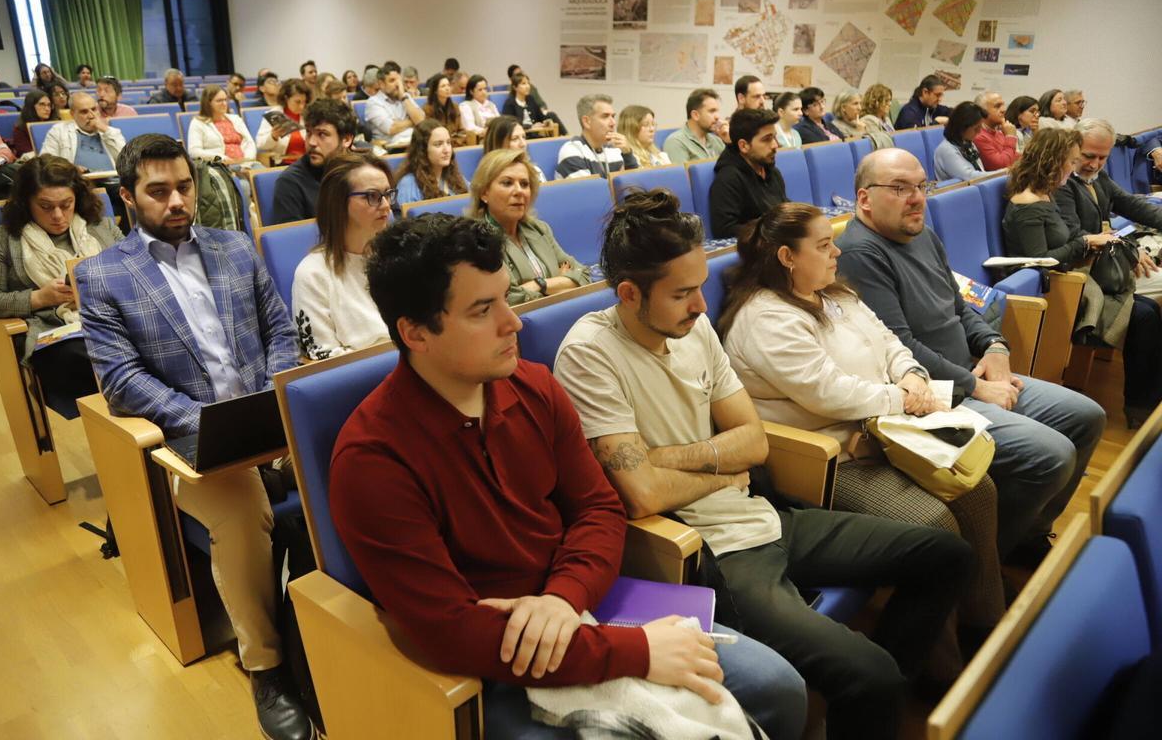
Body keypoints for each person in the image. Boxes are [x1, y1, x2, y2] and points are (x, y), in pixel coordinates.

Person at [333, 210, 809, 740]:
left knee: (779, 688)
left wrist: (562, 598)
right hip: (497, 658)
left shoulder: (533, 386)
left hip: (583, 600)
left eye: (505, 299)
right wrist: (636, 652)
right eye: (482, 310)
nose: (513, 323)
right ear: (416, 333)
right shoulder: (372, 459)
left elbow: (598, 508)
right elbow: (449, 631)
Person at [554, 190, 972, 739]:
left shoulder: (695, 328)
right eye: (681, 294)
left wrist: (689, 464)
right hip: (710, 548)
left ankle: (876, 683)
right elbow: (643, 494)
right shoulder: (589, 354)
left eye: (700, 286)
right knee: (871, 678)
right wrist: (720, 469)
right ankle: (871, 685)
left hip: (762, 511)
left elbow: (753, 442)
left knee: (946, 556)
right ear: (630, 294)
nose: (702, 306)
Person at [75, 134, 311, 740]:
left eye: (184, 186)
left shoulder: (235, 247)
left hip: (269, 417)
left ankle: (340, 624)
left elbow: (281, 332)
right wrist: (208, 424)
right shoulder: (103, 275)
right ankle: (267, 664)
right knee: (239, 512)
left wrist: (269, 402)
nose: (177, 200)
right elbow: (122, 382)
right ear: (127, 197)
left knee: (357, 460)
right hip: (191, 439)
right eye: (158, 191)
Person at [720, 202, 1005, 652]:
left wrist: (913, 376)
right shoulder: (765, 318)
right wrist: (904, 399)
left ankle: (984, 625)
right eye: (823, 245)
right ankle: (936, 661)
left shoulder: (836, 294)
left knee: (978, 490)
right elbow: (828, 391)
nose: (836, 252)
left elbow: (889, 343)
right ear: (787, 257)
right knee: (935, 524)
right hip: (831, 458)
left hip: (884, 432)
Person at [837, 147, 1107, 565]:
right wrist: (977, 386)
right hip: (929, 395)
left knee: (1087, 416)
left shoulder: (921, 233)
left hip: (971, 373)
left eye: (921, 186)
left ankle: (1027, 534)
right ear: (864, 199)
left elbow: (960, 305)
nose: (916, 198)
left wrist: (994, 346)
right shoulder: (860, 253)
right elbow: (899, 345)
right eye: (899, 188)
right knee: (1051, 455)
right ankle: (985, 562)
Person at [1003, 128, 1162, 427]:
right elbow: (1040, 262)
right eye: (1076, 159)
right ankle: (1141, 409)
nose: (1080, 166)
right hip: (1059, 289)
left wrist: (1090, 242)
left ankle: (1147, 405)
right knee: (1145, 315)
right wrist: (1088, 242)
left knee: (1148, 311)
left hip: (1077, 277)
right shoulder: (1030, 205)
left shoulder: (1045, 194)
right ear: (1057, 161)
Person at [0, 156, 122, 417]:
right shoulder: (3, 240)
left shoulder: (100, 227)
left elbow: (138, 269)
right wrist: (39, 298)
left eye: (66, 204)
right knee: (101, 354)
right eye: (46, 206)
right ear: (25, 203)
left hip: (114, 319)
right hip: (58, 334)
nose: (58, 216)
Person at [291, 152, 392, 359]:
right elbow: (322, 355)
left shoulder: (396, 256)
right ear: (338, 202)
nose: (386, 205)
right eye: (372, 196)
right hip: (362, 381)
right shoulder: (312, 274)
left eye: (388, 194)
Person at [1055, 118, 1162, 304]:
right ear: (1073, 148)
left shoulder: (1098, 177)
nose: (1094, 165)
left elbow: (1131, 205)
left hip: (1111, 258)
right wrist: (1131, 253)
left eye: (1102, 158)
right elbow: (1074, 235)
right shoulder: (1062, 184)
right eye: (1088, 156)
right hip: (1090, 269)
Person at [466, 148, 589, 304]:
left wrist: (539, 284)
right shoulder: (477, 240)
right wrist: (560, 281)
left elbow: (584, 274)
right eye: (507, 183)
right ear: (484, 193)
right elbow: (508, 298)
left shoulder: (539, 229)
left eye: (524, 184)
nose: (519, 191)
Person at [272, 99, 358, 225]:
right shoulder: (290, 182)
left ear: (346, 139)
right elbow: (293, 240)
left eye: (322, 134)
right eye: (308, 132)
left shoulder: (362, 171)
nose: (311, 142)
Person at [708, 109, 787, 240]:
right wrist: (770, 227)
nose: (775, 145)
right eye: (767, 139)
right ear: (744, 146)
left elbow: (782, 206)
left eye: (774, 137)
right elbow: (724, 229)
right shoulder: (728, 179)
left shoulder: (771, 171)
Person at [555, 94, 638, 180]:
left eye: (613, 116)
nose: (613, 123)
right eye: (605, 116)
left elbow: (636, 186)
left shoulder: (614, 150)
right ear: (587, 122)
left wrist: (628, 155)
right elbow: (589, 191)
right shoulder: (572, 151)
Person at [40, 92, 126, 175]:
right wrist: (69, 169)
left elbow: (127, 160)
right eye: (84, 112)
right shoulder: (58, 131)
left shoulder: (110, 132)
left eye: (94, 109)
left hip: (114, 181)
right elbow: (46, 162)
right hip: (78, 183)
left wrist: (105, 129)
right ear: (72, 114)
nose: (91, 116)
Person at [393, 119, 468, 205]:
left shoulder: (455, 177)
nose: (446, 150)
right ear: (423, 150)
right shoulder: (408, 184)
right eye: (438, 144)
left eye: (448, 142)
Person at [187, 85, 259, 166]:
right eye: (219, 101)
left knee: (264, 175)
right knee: (241, 179)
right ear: (208, 103)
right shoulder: (198, 123)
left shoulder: (236, 119)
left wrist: (247, 162)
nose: (224, 103)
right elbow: (194, 151)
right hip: (219, 166)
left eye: (225, 100)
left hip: (245, 163)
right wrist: (220, 158)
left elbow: (250, 143)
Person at [365, 62, 425, 148]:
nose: (397, 85)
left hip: (415, 143)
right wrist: (413, 121)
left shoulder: (405, 97)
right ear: (381, 84)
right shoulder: (373, 102)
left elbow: (421, 120)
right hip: (391, 147)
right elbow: (391, 129)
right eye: (392, 81)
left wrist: (404, 98)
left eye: (398, 80)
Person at [255, 79, 312, 164]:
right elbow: (260, 144)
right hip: (284, 163)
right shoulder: (274, 115)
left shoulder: (308, 115)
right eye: (297, 102)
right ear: (286, 98)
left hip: (308, 162)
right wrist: (273, 136)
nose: (302, 106)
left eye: (304, 102)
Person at [662, 88, 727, 163]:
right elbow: (682, 174)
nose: (717, 117)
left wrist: (729, 142)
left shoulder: (717, 141)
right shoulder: (675, 142)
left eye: (717, 111)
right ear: (695, 115)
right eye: (712, 111)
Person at [933, 102, 988, 182]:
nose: (979, 131)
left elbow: (981, 171)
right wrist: (1002, 173)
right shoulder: (946, 150)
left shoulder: (969, 144)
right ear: (962, 127)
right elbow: (969, 177)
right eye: (976, 128)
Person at [483, 116, 546, 181]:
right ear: (498, 144)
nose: (523, 144)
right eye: (514, 139)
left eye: (524, 137)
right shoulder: (487, 177)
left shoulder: (535, 171)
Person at [972, 92, 1020, 172]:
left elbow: (1014, 157)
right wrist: (1010, 137)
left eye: (1003, 105)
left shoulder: (999, 132)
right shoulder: (978, 136)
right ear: (982, 111)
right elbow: (1001, 166)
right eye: (997, 106)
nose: (1004, 110)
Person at [422, 73, 467, 146]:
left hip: (456, 145)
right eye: (443, 86)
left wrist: (456, 143)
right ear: (435, 91)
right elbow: (429, 134)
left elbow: (461, 131)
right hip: (439, 146)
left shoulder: (455, 107)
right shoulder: (428, 109)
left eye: (448, 85)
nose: (447, 88)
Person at [10, 89, 56, 157]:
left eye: (49, 105)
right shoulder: (20, 128)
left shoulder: (55, 125)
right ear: (31, 106)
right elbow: (27, 154)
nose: (47, 109)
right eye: (42, 104)